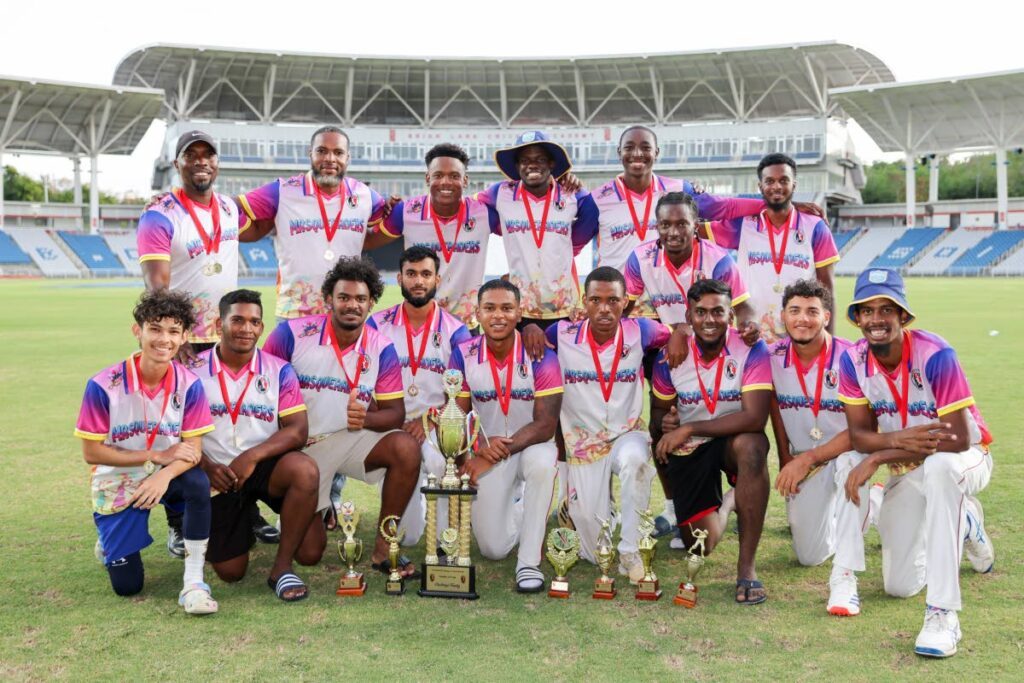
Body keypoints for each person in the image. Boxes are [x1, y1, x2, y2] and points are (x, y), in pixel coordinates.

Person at [839, 268, 994, 658]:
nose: (877, 319)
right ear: (856, 318)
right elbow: (858, 435)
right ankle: (965, 524)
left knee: (943, 471)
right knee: (898, 586)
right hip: (912, 467)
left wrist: (880, 453)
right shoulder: (852, 361)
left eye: (887, 309)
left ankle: (943, 613)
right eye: (868, 310)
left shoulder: (935, 353)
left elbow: (958, 437)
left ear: (903, 316)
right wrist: (882, 447)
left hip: (967, 457)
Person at [136, 130, 272, 555]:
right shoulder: (160, 215)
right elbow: (157, 285)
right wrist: (172, 339)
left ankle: (244, 507)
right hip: (184, 343)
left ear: (217, 163)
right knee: (176, 432)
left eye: (208, 155)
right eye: (190, 155)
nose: (201, 162)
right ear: (177, 164)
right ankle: (178, 520)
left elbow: (273, 213)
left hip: (227, 340)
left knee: (236, 425)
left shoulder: (230, 208)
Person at [263, 256, 422, 579]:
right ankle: (312, 508)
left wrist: (364, 419)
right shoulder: (291, 335)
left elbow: (395, 414)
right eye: (344, 297)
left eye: (361, 299)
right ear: (328, 300)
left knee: (405, 447)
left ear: (371, 302)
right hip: (300, 450)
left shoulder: (381, 347)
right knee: (309, 555)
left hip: (346, 439)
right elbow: (260, 392)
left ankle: (384, 548)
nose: (352, 305)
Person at [74, 290, 218, 614]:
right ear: (137, 331)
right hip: (119, 475)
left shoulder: (190, 385)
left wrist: (163, 475)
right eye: (155, 328)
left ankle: (194, 583)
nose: (163, 339)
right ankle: (110, 540)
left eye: (172, 331)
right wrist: (155, 456)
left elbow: (193, 451)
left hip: (167, 474)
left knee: (197, 483)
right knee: (128, 587)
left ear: (183, 337)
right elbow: (92, 453)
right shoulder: (102, 385)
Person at [624, 191, 759, 536]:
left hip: (712, 342)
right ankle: (673, 507)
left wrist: (750, 326)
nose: (673, 231)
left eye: (681, 223)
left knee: (720, 422)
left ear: (696, 226)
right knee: (662, 425)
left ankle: (726, 491)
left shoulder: (717, 259)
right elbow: (622, 307)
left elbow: (741, 307)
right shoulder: (641, 258)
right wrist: (675, 330)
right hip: (669, 353)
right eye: (665, 224)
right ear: (656, 226)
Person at [193, 289, 321, 601]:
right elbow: (175, 433)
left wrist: (253, 455)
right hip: (218, 474)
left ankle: (281, 568)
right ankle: (244, 516)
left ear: (262, 327)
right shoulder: (191, 370)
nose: (246, 329)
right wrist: (205, 465)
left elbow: (298, 430)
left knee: (312, 549)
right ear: (218, 323)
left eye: (254, 322)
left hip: (264, 466)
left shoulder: (279, 370)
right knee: (231, 573)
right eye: (237, 320)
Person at [650, 278, 773, 605]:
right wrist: (668, 424)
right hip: (692, 449)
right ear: (687, 317)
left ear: (731, 315)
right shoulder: (670, 356)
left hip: (731, 439)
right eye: (700, 312)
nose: (709, 319)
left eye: (718, 312)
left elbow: (755, 418)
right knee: (700, 547)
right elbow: (658, 415)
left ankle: (746, 568)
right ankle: (732, 500)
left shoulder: (750, 348)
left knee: (754, 446)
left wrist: (689, 428)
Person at [544, 266, 670, 582]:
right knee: (590, 550)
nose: (604, 308)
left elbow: (679, 332)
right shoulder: (560, 334)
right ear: (584, 302)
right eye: (596, 300)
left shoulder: (641, 330)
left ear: (625, 302)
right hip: (583, 445)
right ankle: (595, 511)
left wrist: (679, 334)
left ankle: (630, 553)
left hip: (626, 434)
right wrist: (532, 331)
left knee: (636, 463)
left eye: (613, 300)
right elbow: (528, 342)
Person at [768, 278, 873, 616]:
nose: (803, 318)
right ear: (783, 316)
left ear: (826, 316)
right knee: (808, 555)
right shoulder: (771, 357)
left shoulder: (852, 356)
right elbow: (772, 407)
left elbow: (862, 428)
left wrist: (807, 459)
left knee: (849, 467)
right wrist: (788, 458)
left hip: (845, 453)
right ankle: (880, 504)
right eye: (795, 310)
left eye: (812, 311)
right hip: (805, 461)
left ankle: (844, 578)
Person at [449, 280, 562, 592]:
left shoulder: (540, 354)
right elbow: (456, 416)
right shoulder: (463, 354)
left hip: (528, 447)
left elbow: (546, 425)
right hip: (488, 451)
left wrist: (493, 452)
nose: (498, 315)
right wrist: (478, 449)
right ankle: (521, 506)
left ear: (519, 313)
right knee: (493, 549)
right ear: (477, 314)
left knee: (542, 464)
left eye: (506, 308)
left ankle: (528, 564)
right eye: (490, 308)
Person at [589, 125, 767, 317]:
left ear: (657, 153)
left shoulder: (679, 189)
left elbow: (723, 207)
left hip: (667, 303)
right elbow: (573, 243)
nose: (637, 153)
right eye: (629, 147)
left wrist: (778, 205)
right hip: (621, 307)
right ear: (619, 152)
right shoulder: (597, 199)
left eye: (646, 147)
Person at [367, 246, 471, 545]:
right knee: (407, 538)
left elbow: (463, 395)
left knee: (440, 463)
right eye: (411, 274)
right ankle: (413, 521)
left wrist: (431, 421)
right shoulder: (377, 325)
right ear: (399, 278)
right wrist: (390, 420)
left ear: (437, 279)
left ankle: (444, 540)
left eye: (426, 274)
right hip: (393, 427)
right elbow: (363, 384)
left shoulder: (457, 331)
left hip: (437, 426)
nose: (418, 281)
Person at [236, 125, 390, 321]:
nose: (330, 159)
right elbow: (232, 206)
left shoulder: (366, 195)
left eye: (338, 152)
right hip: (294, 313)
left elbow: (388, 220)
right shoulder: (282, 191)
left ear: (347, 158)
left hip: (344, 314)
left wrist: (393, 205)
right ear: (311, 154)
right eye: (322, 151)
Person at [701, 153, 840, 344]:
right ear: (760, 186)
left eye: (784, 180)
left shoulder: (816, 227)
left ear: (794, 185)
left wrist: (829, 340)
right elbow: (693, 229)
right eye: (770, 181)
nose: (777, 186)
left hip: (801, 335)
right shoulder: (743, 224)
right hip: (753, 334)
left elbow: (827, 288)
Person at [478, 130, 597, 340]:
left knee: (559, 371)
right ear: (516, 167)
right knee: (520, 370)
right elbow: (469, 207)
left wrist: (566, 247)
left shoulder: (572, 194)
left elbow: (590, 220)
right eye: (525, 160)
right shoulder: (500, 193)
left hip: (564, 309)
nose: (532, 165)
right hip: (518, 310)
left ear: (551, 164)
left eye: (540, 159)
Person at [366, 143, 498, 327]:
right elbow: (367, 241)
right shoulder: (405, 212)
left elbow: (521, 237)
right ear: (428, 178)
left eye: (454, 176)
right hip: (420, 324)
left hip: (466, 325)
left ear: (465, 180)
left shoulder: (485, 214)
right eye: (438, 175)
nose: (445, 182)